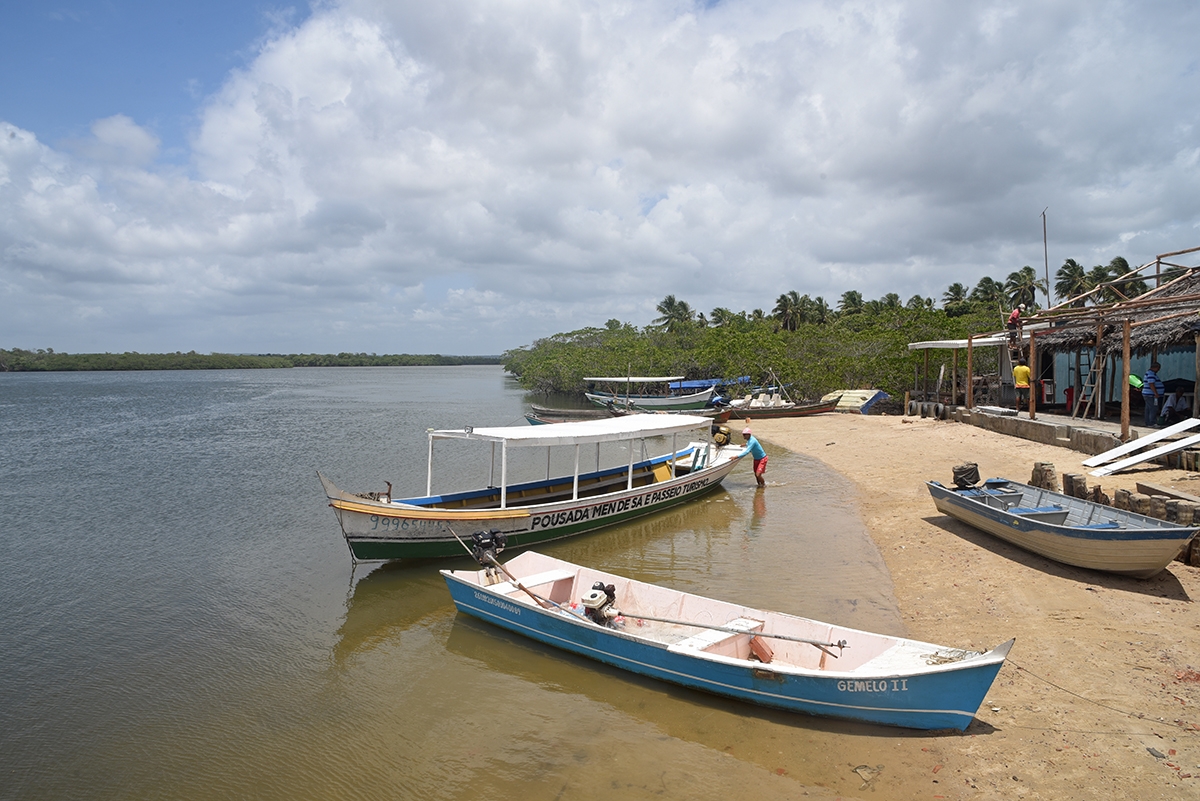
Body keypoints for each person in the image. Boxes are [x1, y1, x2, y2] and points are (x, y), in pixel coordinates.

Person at [1142, 362, 1165, 427]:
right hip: (1151, 395)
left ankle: (1148, 422)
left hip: (1149, 394)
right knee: (1153, 408)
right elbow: (1151, 384)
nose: (1158, 370)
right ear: (1156, 368)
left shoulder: (1149, 373)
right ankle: (1152, 422)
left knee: (1148, 408)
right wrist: (1156, 393)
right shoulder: (1151, 374)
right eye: (1158, 368)